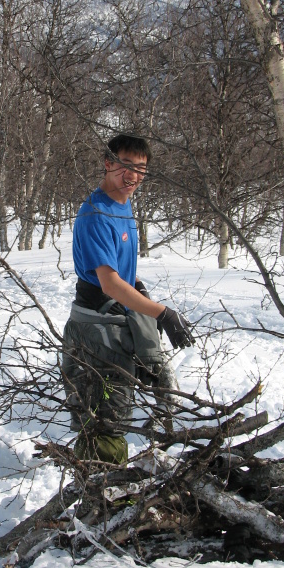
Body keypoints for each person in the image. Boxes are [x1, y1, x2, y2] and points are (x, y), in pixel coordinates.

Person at [62, 133, 195, 465]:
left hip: (117, 318)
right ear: (108, 164)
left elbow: (122, 272)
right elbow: (108, 282)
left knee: (131, 406)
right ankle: (101, 502)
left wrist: (138, 290)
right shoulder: (97, 214)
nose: (133, 176)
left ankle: (117, 490)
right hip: (96, 329)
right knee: (104, 424)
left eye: (141, 168)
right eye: (126, 165)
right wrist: (161, 313)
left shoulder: (123, 205)